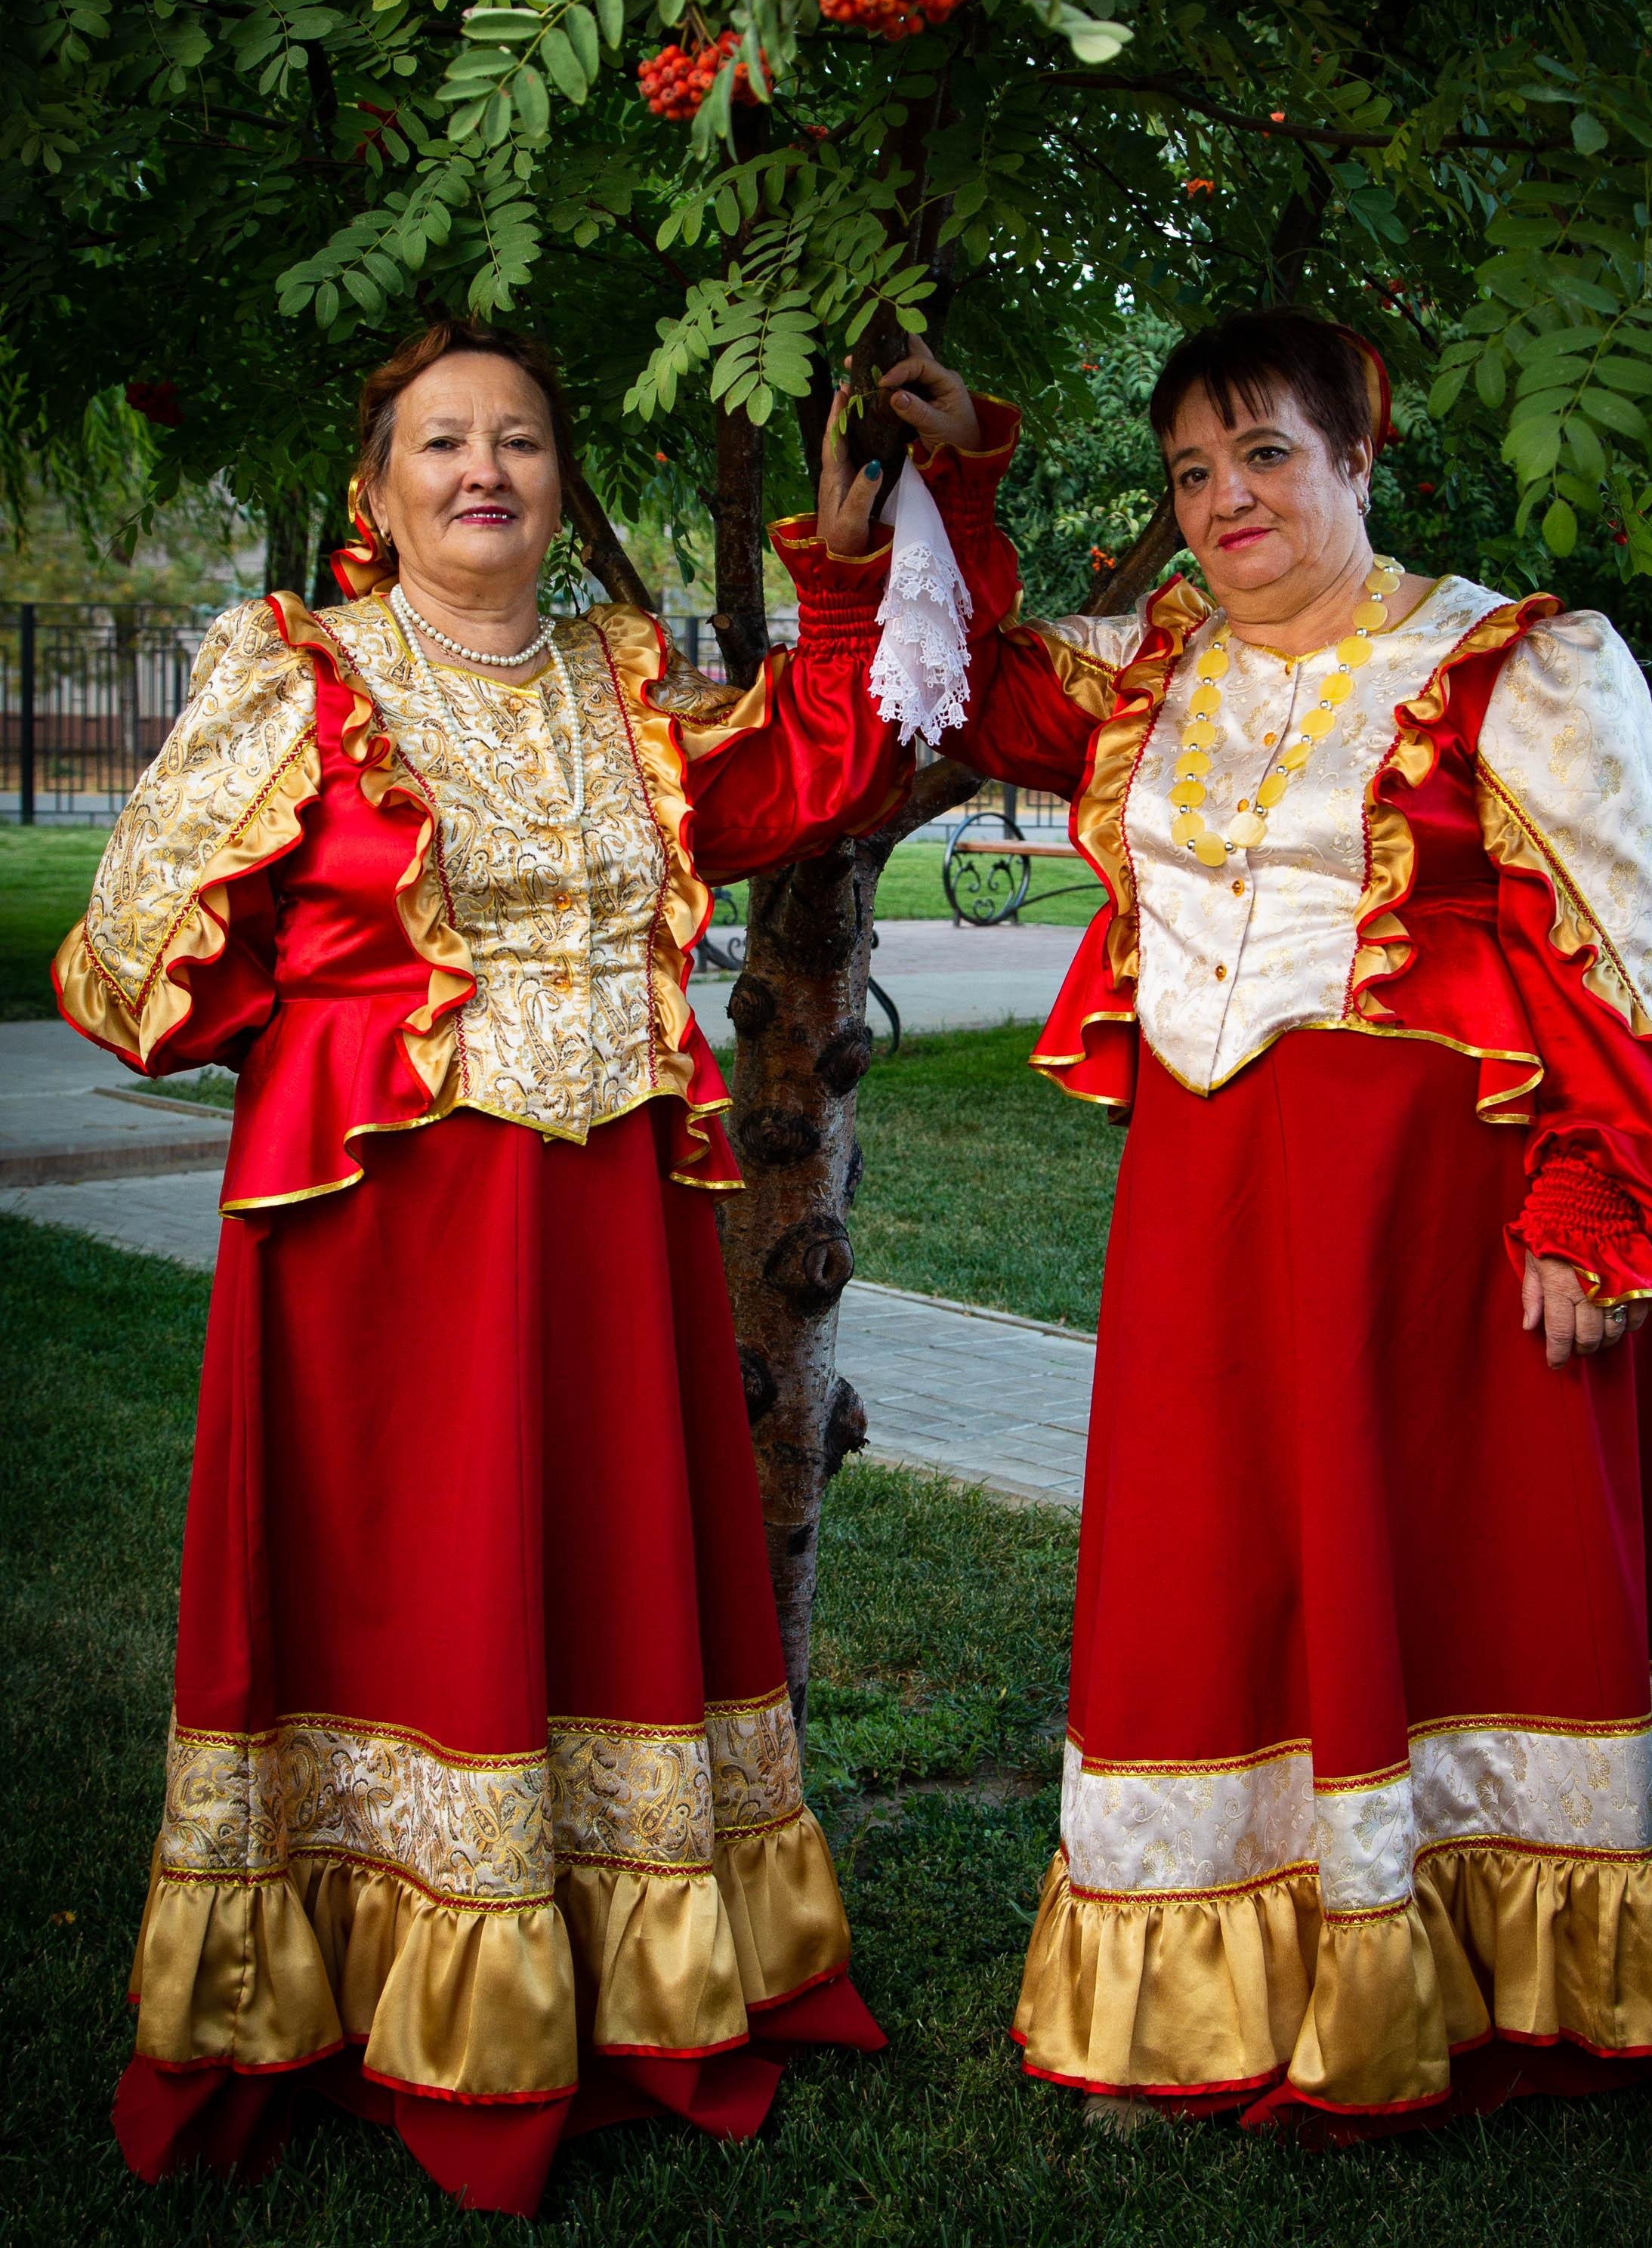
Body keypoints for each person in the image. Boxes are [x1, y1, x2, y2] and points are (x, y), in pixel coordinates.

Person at [54, 317, 1002, 2216]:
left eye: (519, 441)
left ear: (563, 487)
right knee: (414, 1588)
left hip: (605, 1239)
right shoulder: (297, 674)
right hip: (382, 1239)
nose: (483, 468)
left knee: (588, 1565)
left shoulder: (619, 680)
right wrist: (347, 1017)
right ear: (376, 488)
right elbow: (132, 965)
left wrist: (848, 573)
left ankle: (614, 1979)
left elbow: (815, 772)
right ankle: (366, 1997)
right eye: (442, 441)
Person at [872, 310, 1652, 2135]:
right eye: (1194, 471)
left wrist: (1591, 1197)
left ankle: (1499, 1973)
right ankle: (1219, 1968)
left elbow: (1616, 954)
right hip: (1207, 1206)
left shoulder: (1520, 663)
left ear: (1361, 453)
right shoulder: (1157, 668)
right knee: (1218, 1558)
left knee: (1457, 1562)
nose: (1226, 499)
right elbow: (956, 689)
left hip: (1437, 1215)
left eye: (1267, 452)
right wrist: (956, 476)